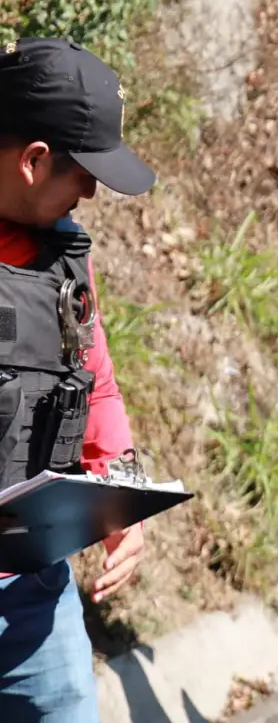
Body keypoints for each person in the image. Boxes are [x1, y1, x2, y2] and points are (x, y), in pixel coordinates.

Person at [0, 37, 154, 720]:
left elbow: (94, 380)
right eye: (82, 172)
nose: (92, 190)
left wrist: (119, 495)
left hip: (35, 595)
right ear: (34, 161)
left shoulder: (65, 255)